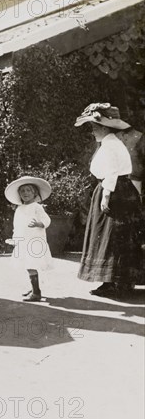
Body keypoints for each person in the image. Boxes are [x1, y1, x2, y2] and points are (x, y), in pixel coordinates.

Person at [74, 103, 144, 296]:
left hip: (114, 191)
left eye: (95, 127)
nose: (93, 131)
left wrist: (106, 196)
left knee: (112, 235)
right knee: (113, 235)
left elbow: (112, 171)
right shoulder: (110, 142)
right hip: (117, 189)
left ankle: (116, 282)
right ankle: (114, 281)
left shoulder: (111, 143)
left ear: (105, 127)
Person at [5, 176, 53, 302]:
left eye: (28, 191)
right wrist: (16, 239)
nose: (25, 193)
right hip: (24, 242)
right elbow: (17, 225)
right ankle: (33, 288)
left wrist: (39, 224)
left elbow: (46, 219)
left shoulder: (37, 207)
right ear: (19, 194)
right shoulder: (19, 209)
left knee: (32, 265)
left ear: (34, 193)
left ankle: (36, 292)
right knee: (27, 265)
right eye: (22, 191)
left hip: (35, 242)